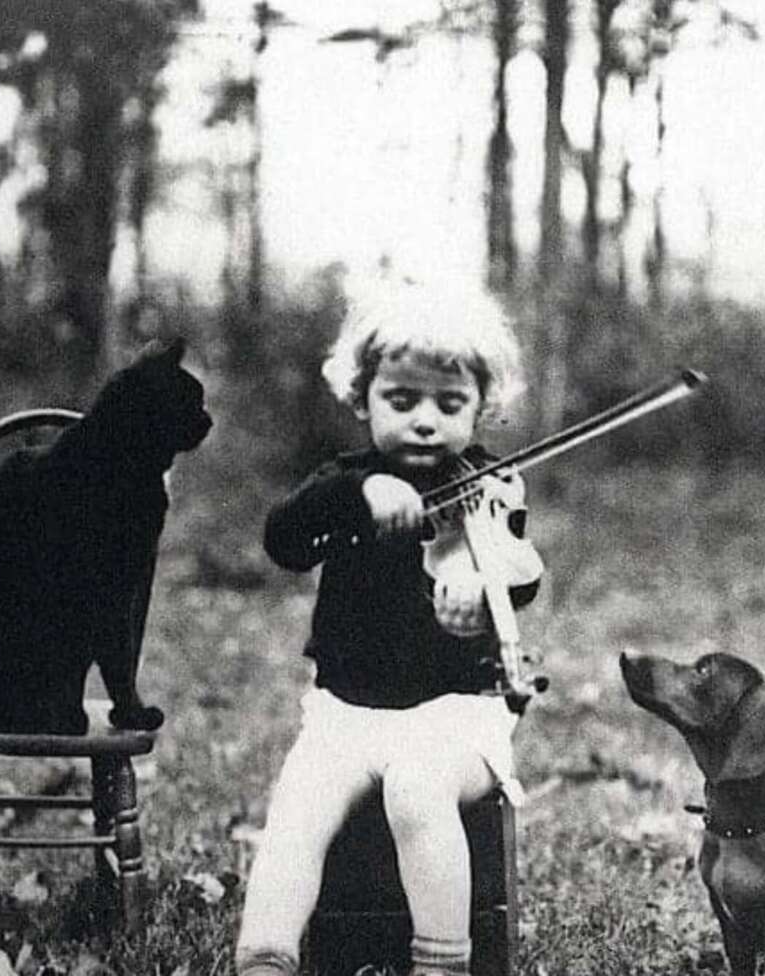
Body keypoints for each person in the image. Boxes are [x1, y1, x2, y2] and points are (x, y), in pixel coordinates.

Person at [236, 278, 544, 976]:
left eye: (450, 403)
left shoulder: (490, 488)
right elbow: (283, 539)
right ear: (363, 398)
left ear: (481, 406)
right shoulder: (343, 483)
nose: (425, 421)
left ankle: (441, 964)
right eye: (401, 401)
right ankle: (265, 958)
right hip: (346, 713)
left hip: (456, 716)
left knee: (416, 785)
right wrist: (356, 495)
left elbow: (519, 574)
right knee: (295, 811)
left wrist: (477, 583)